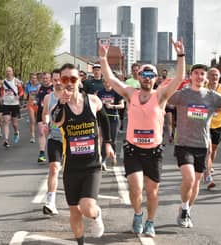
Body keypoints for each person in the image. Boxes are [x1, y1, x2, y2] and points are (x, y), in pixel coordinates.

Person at [99, 38, 185, 237]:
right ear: (138, 76)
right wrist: (103, 58)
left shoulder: (161, 96)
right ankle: (138, 214)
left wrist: (180, 55)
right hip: (133, 150)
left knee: (152, 191)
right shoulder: (131, 93)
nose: (147, 77)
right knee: (136, 187)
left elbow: (179, 78)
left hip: (154, 151)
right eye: (143, 74)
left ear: (155, 78)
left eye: (151, 74)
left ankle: (150, 221)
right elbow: (111, 80)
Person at [168, 64, 221, 228]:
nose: (199, 76)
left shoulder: (212, 96)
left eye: (202, 74)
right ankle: (185, 208)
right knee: (189, 177)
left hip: (202, 145)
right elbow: (162, 97)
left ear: (205, 78)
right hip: (184, 144)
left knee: (196, 183)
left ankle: (186, 210)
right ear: (191, 76)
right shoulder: (182, 95)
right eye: (196, 73)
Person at [51, 63, 114, 245]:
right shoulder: (60, 105)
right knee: (74, 211)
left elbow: (104, 120)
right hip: (71, 167)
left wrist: (108, 143)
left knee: (87, 207)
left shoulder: (93, 101)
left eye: (72, 78)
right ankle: (80, 242)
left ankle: (96, 215)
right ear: (61, 82)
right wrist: (61, 103)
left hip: (92, 166)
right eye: (65, 79)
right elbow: (55, 121)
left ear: (79, 79)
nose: (69, 83)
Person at [204, 68, 221, 189]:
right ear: (208, 76)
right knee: (208, 150)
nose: (214, 77)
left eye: (216, 75)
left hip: (218, 123)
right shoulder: (203, 87)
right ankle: (208, 175)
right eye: (212, 75)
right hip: (204, 123)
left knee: (214, 150)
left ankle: (209, 165)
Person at [42, 69, 62, 215]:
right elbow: (45, 114)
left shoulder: (70, 96)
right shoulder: (48, 98)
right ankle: (50, 202)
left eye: (60, 79)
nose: (57, 83)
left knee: (71, 172)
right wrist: (45, 123)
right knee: (54, 168)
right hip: (54, 138)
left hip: (70, 140)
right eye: (55, 80)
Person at [97, 78, 124, 170]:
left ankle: (113, 156)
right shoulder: (100, 92)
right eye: (105, 82)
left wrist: (112, 106)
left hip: (113, 119)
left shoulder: (116, 92)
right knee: (105, 140)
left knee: (113, 140)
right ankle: (103, 161)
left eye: (108, 82)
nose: (106, 83)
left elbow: (122, 105)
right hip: (104, 119)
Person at [1, 66, 24, 148]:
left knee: (14, 123)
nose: (8, 73)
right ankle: (6, 140)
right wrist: (2, 97)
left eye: (9, 71)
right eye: (7, 71)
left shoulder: (16, 81)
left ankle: (16, 131)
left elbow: (21, 91)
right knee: (6, 121)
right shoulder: (3, 82)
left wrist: (19, 96)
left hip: (15, 104)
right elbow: (2, 91)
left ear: (12, 72)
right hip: (6, 104)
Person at [36, 72, 53, 163]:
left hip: (52, 113)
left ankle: (57, 152)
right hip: (41, 112)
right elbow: (37, 99)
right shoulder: (40, 88)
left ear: (50, 78)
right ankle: (42, 154)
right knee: (42, 132)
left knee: (53, 133)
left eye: (47, 78)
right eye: (44, 78)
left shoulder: (53, 88)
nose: (45, 80)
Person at [24, 73, 41, 143]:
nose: (33, 79)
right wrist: (24, 97)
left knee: (39, 121)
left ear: (37, 79)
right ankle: (32, 137)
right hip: (30, 104)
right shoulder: (28, 86)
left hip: (38, 104)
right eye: (32, 78)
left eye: (35, 78)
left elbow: (41, 94)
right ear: (30, 79)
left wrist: (37, 92)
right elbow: (25, 93)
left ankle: (41, 133)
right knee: (32, 121)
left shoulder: (39, 86)